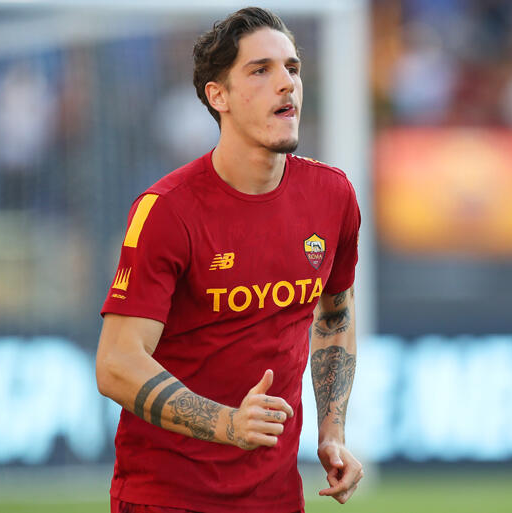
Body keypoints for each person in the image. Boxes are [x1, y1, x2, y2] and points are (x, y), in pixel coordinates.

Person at [95, 7, 363, 513]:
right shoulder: (167, 210)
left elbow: (335, 314)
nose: (285, 83)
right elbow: (116, 363)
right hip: (166, 499)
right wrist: (227, 424)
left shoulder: (333, 196)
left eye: (292, 68)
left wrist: (332, 433)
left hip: (276, 498)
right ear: (218, 96)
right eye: (261, 70)